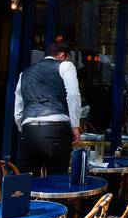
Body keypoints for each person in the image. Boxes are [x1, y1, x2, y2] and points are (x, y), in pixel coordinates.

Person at [13, 35, 81, 176]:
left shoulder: (25, 73)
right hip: (56, 129)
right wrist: (75, 126)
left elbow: (18, 105)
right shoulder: (66, 66)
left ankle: (28, 199)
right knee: (56, 180)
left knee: (27, 181)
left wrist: (23, 126)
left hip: (29, 129)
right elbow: (73, 95)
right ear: (63, 55)